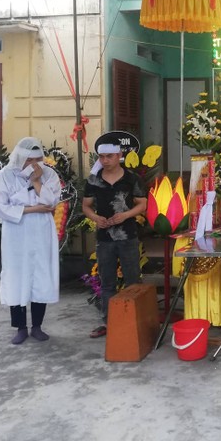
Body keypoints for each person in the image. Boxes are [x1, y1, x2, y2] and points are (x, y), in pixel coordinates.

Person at [0, 137, 61, 345]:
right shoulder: (4, 176)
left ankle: (37, 326)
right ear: (21, 158)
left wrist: (36, 182)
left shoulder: (49, 174)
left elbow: (50, 202)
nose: (35, 165)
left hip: (42, 232)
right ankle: (20, 328)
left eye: (39, 159)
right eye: (31, 161)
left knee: (41, 275)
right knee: (17, 276)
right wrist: (34, 208)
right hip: (16, 233)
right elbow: (1, 207)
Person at [82, 132, 147, 338]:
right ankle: (110, 323)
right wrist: (95, 218)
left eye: (109, 156)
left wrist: (125, 215)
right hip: (104, 238)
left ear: (119, 155)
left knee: (132, 280)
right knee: (107, 281)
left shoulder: (131, 178)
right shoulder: (94, 180)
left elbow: (143, 204)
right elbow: (86, 206)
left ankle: (135, 323)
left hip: (127, 235)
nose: (105, 161)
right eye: (102, 157)